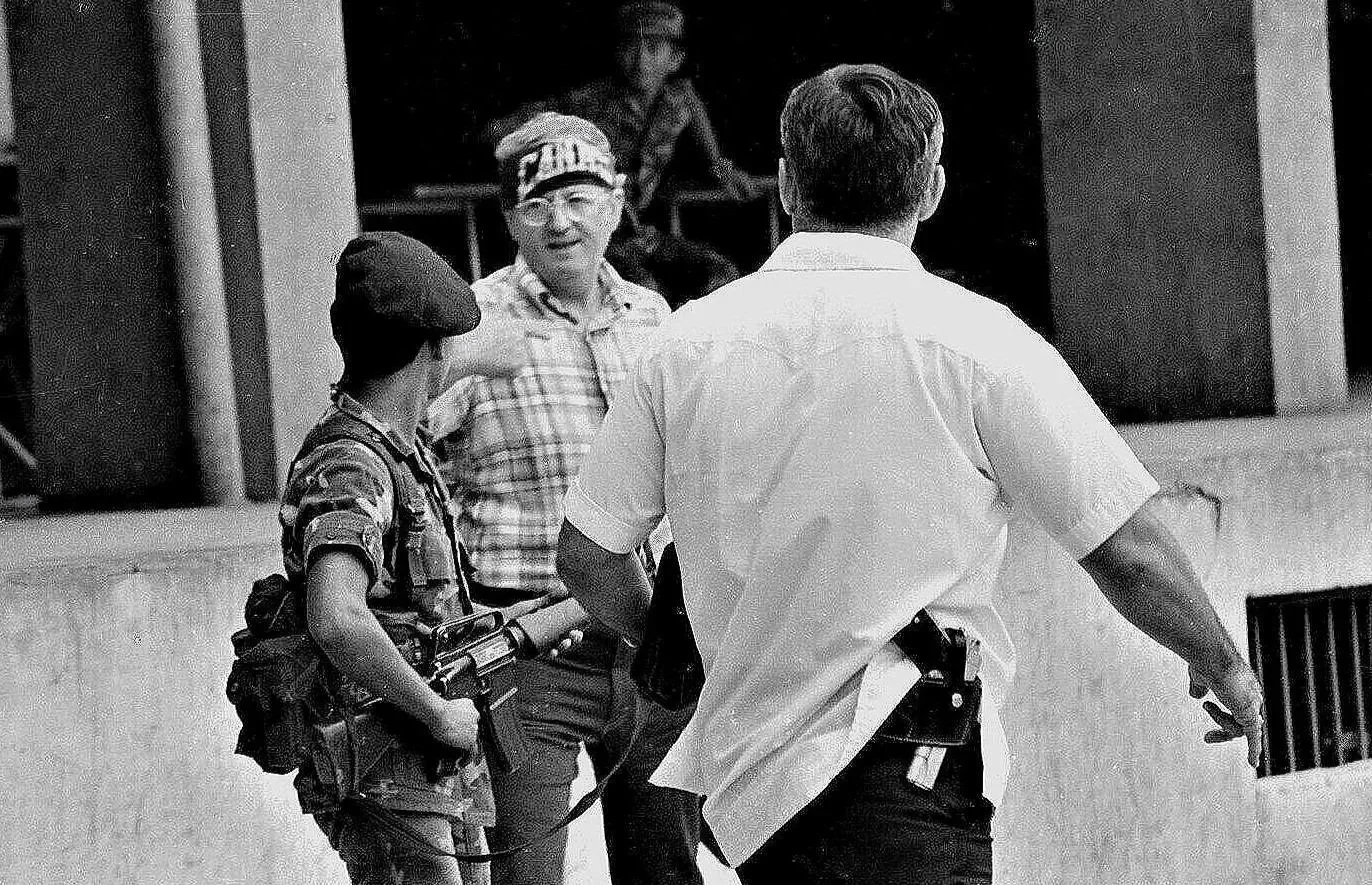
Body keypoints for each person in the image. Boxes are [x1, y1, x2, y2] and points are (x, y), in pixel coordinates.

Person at [554, 64, 1267, 885]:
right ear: (930, 189)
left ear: (786, 184)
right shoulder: (976, 342)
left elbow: (588, 555)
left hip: (754, 797)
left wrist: (671, 645)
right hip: (912, 767)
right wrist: (1223, 660)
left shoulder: (683, 347)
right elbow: (1127, 546)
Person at [428, 113, 703, 885]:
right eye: (539, 203)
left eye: (580, 197)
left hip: (650, 646)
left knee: (667, 870)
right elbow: (399, 441)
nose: (561, 221)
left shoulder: (655, 317)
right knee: (527, 875)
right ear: (511, 219)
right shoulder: (470, 322)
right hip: (526, 651)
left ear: (616, 204)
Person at [280, 231, 587, 885]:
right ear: (435, 348)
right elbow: (337, 616)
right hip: (388, 758)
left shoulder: (400, 447)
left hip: (428, 759)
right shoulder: (352, 460)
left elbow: (421, 608)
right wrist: (436, 710)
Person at [484, 1, 760, 308]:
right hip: (593, 234)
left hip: (642, 235)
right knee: (642, 288)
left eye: (654, 48)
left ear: (676, 58)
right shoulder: (588, 101)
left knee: (721, 276)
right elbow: (500, 132)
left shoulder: (682, 101)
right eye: (631, 47)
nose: (641, 60)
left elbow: (714, 160)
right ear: (617, 53)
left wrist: (725, 171)